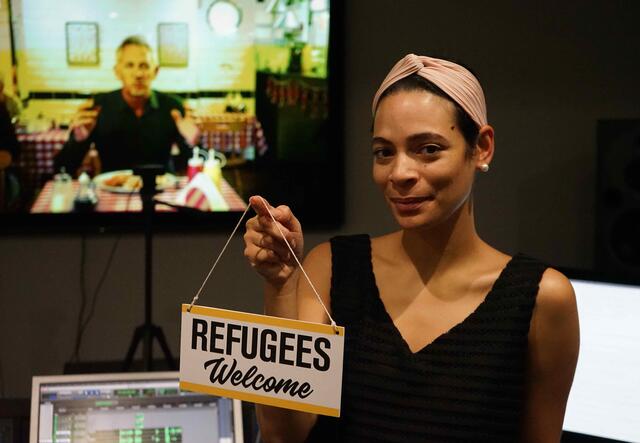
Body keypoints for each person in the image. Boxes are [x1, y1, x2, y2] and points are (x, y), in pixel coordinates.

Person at [243, 54, 580, 442]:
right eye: (384, 152)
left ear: (482, 148)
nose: (400, 173)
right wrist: (282, 285)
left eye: (428, 149)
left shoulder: (540, 299)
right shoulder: (333, 268)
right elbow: (282, 434)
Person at [54, 36, 199, 176]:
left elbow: (198, 166)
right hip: (111, 191)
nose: (138, 74)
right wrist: (79, 139)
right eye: (129, 65)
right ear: (118, 72)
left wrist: (191, 142)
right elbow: (62, 169)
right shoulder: (98, 108)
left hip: (161, 192)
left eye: (144, 65)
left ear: (155, 72)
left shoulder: (173, 107)